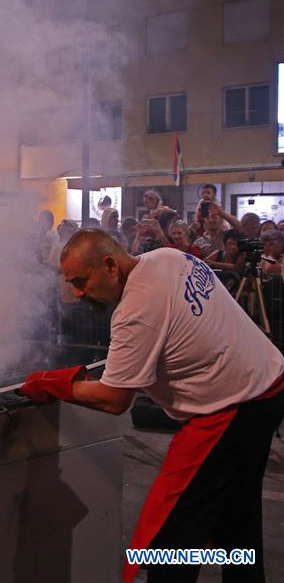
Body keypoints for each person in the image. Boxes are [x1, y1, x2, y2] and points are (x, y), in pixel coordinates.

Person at [20, 229, 283, 583]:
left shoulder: (134, 312)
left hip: (232, 407)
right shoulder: (168, 257)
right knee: (238, 517)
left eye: (82, 281)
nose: (78, 293)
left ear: (111, 266)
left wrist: (57, 384)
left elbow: (114, 399)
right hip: (269, 381)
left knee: (172, 534)